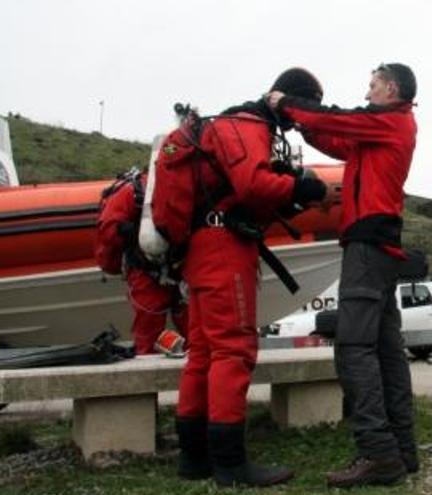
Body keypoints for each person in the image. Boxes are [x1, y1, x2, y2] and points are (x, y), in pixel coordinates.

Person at [173, 68, 328, 488]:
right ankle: (230, 464)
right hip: (224, 248)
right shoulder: (248, 125)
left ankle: (194, 457)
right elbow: (252, 184)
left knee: (204, 351)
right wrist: (303, 188)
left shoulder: (227, 126)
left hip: (202, 244)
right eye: (302, 111)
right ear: (291, 100)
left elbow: (241, 190)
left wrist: (291, 192)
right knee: (233, 350)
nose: (299, 121)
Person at [267, 62, 418, 488]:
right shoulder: (382, 130)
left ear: (390, 88)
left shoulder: (389, 119)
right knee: (387, 352)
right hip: (380, 249)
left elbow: (341, 119)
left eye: (372, 85)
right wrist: (304, 127)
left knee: (352, 349)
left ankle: (377, 453)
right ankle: (402, 452)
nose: (366, 91)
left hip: (368, 249)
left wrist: (288, 105)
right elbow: (337, 138)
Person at [95, 170, 188, 355]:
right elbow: (108, 230)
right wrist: (132, 231)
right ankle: (149, 374)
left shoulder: (188, 185)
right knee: (148, 332)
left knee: (197, 327)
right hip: (146, 271)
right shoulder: (134, 193)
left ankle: (199, 371)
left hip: (181, 266)